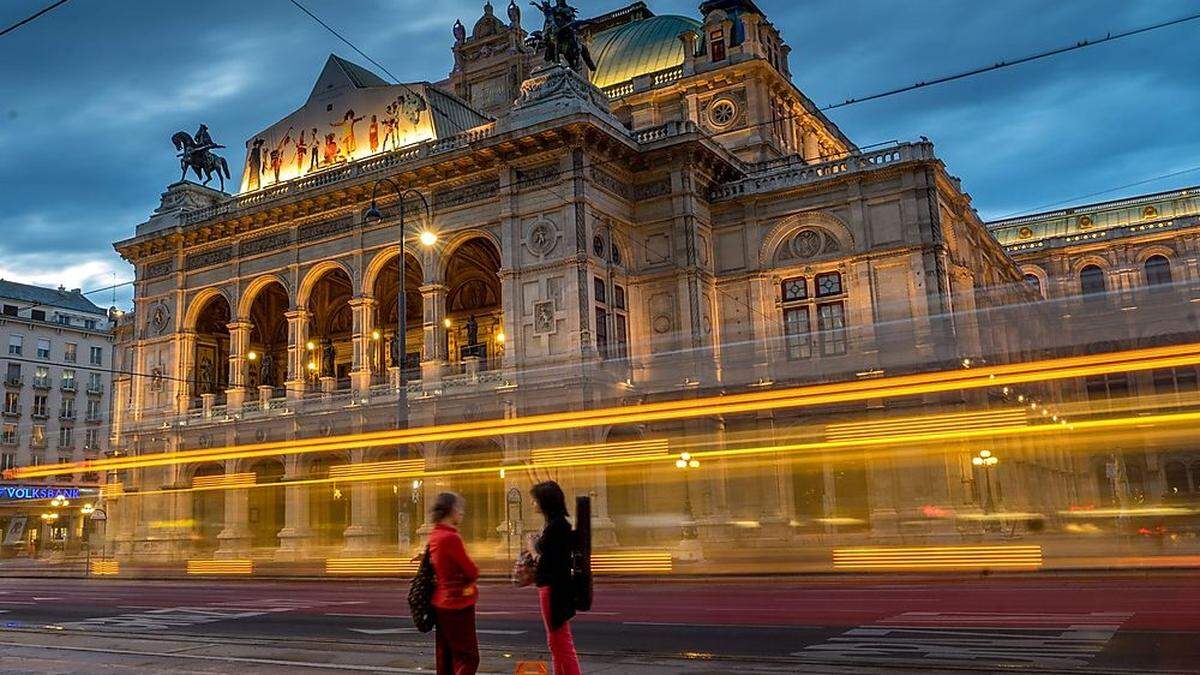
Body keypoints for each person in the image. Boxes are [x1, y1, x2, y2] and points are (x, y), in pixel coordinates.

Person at [530, 481, 582, 675]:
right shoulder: (558, 524)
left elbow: (546, 563)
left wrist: (532, 549)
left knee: (561, 643)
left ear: (545, 502)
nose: (532, 503)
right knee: (557, 642)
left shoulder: (556, 527)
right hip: (555, 589)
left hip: (553, 590)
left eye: (534, 500)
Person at [428, 492, 480, 675]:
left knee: (446, 659)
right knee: (469, 657)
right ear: (450, 510)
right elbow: (471, 571)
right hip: (458, 602)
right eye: (459, 508)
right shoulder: (451, 538)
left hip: (441, 602)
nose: (462, 512)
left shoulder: (435, 534)